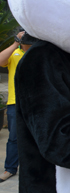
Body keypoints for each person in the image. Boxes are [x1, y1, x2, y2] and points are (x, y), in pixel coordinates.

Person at [0, 30, 38, 182]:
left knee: (37, 137)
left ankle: (35, 169)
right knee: (14, 138)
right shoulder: (14, 53)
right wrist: (16, 42)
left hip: (36, 102)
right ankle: (10, 168)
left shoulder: (38, 54)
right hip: (15, 102)